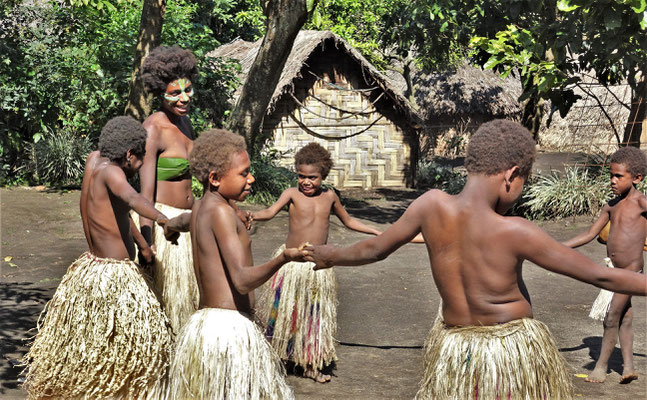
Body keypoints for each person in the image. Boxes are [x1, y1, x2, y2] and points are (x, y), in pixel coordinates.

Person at [305, 120, 647, 399]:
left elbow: (374, 249)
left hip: (457, 351)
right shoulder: (515, 230)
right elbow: (600, 277)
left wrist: (330, 254)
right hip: (509, 354)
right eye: (523, 184)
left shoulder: (430, 205)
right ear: (511, 176)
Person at [22, 116, 177, 399]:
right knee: (124, 356)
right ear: (129, 155)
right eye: (140, 160)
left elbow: (119, 210)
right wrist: (163, 219)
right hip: (114, 280)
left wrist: (143, 244)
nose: (141, 166)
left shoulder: (94, 161)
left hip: (92, 271)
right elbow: (133, 200)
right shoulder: (114, 174)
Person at [166, 129, 303, 399]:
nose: (251, 178)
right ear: (216, 179)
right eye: (243, 173)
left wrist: (169, 228)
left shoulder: (201, 208)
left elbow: (179, 222)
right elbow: (240, 280)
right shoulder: (221, 212)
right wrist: (283, 258)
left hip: (205, 327)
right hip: (228, 333)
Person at [251, 142, 382, 383]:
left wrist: (374, 232)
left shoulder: (330, 197)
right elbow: (269, 212)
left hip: (316, 267)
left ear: (323, 176)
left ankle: (310, 363)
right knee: (282, 314)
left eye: (312, 177)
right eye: (301, 176)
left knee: (313, 316)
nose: (306, 182)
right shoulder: (291, 194)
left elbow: (349, 221)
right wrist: (249, 215)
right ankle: (280, 358)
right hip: (291, 264)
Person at [563, 146, 647, 384]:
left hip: (630, 273)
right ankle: (628, 367)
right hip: (614, 271)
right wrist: (557, 247)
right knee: (625, 317)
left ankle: (601, 366)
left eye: (619, 176)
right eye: (611, 175)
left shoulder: (642, 203)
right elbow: (590, 234)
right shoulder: (610, 206)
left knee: (611, 317)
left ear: (637, 178)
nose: (613, 180)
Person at [138, 45, 200, 334]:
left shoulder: (185, 123)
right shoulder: (153, 129)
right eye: (175, 93)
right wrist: (147, 242)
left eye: (187, 90)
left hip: (189, 221)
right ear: (160, 92)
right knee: (170, 305)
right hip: (166, 226)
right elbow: (144, 192)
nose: (184, 98)